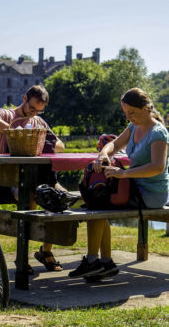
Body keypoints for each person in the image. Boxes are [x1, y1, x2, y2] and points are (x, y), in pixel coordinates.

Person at [69, 87, 169, 280]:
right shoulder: (133, 127)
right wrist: (103, 154)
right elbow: (114, 144)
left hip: (151, 193)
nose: (128, 117)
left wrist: (124, 175)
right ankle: (103, 262)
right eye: (125, 113)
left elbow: (157, 167)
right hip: (133, 186)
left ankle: (95, 262)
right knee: (97, 199)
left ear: (146, 107)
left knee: (98, 204)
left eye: (131, 112)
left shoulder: (158, 133)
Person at [0, 85, 71, 273]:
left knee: (63, 198)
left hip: (40, 177)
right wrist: (13, 131)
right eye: (32, 108)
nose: (34, 113)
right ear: (24, 98)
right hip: (12, 179)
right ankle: (21, 257)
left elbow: (61, 146)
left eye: (39, 111)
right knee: (30, 197)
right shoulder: (8, 114)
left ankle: (45, 251)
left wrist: (42, 142)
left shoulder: (39, 121)